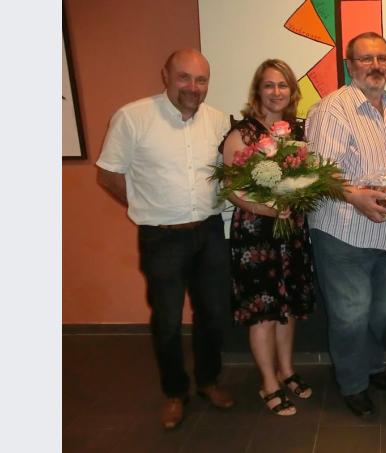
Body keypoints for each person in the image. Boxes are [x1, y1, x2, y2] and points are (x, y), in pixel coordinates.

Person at [96, 49, 234, 429]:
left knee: (213, 315)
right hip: (162, 238)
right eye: (184, 78)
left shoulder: (219, 120)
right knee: (168, 321)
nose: (193, 87)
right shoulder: (133, 117)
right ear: (166, 76)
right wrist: (145, 205)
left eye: (201, 80)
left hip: (209, 232)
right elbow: (108, 174)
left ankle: (208, 381)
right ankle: (175, 392)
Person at [305, 32, 386, 418]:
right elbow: (318, 173)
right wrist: (354, 195)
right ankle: (353, 383)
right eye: (366, 59)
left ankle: (370, 366)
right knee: (351, 312)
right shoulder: (332, 110)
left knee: (383, 309)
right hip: (344, 229)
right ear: (350, 65)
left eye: (382, 58)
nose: (376, 66)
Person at [219, 59, 314, 416]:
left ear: (292, 91)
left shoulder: (297, 133)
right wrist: (267, 210)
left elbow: (307, 177)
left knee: (286, 307)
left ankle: (286, 370)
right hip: (256, 234)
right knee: (263, 310)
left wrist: (298, 199)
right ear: (257, 90)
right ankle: (268, 383)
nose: (276, 92)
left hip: (291, 231)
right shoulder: (240, 134)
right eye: (269, 85)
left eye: (283, 85)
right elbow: (231, 190)